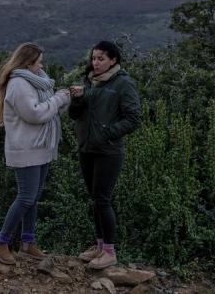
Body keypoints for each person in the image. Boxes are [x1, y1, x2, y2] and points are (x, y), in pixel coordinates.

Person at [0, 42, 71, 265]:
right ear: (28, 63)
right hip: (26, 149)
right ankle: (1, 243)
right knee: (26, 197)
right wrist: (59, 98)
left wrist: (65, 97)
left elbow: (49, 108)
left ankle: (28, 242)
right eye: (39, 62)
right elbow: (35, 114)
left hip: (40, 147)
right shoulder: (19, 84)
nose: (42, 65)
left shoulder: (38, 81)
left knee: (33, 198)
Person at [69, 40, 141, 270]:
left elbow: (133, 118)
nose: (96, 63)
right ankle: (99, 246)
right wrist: (77, 99)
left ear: (113, 60)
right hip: (86, 148)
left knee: (102, 199)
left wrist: (106, 133)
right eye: (93, 58)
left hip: (108, 151)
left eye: (101, 58)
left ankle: (109, 252)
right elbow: (74, 115)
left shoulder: (123, 84)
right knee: (95, 199)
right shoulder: (88, 81)